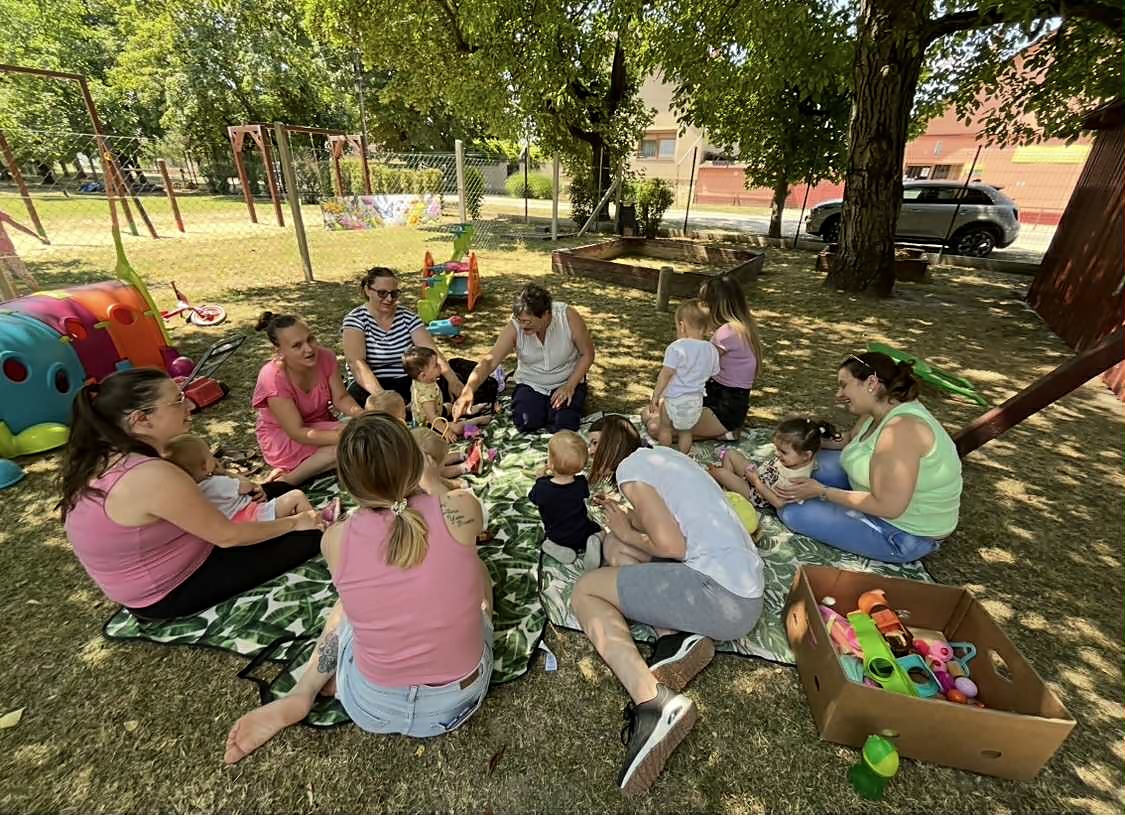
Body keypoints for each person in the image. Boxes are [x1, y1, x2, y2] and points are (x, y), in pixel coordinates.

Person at [224, 413, 493, 763]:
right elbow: (456, 515)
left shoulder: (335, 539)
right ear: (416, 463)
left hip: (370, 705)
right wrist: (432, 481)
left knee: (346, 608)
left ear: (349, 485)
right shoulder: (461, 509)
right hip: (457, 702)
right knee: (479, 569)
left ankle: (303, 692)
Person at [570, 416, 764, 795]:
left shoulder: (629, 470)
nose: (591, 453)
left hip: (721, 594)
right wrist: (626, 525)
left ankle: (654, 702)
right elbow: (670, 527)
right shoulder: (661, 457)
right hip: (741, 587)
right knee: (615, 547)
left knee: (585, 591)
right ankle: (674, 639)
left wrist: (626, 530)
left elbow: (671, 546)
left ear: (613, 442)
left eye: (594, 443)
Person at [59, 369, 324, 621]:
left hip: (175, 553)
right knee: (311, 535)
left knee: (278, 493)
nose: (189, 405)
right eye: (178, 400)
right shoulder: (149, 475)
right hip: (171, 589)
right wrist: (295, 523)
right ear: (141, 419)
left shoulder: (108, 455)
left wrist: (236, 482)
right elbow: (228, 536)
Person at [774, 352, 963, 563]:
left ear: (871, 383)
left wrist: (823, 492)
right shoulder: (881, 408)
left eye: (844, 385)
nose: (838, 394)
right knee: (805, 464)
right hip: (878, 494)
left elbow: (888, 507)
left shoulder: (900, 430)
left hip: (902, 532)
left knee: (791, 510)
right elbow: (849, 439)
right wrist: (803, 443)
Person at [452, 283, 595, 433]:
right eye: (519, 320)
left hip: (566, 380)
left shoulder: (567, 317)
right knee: (526, 422)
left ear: (546, 314)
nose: (522, 326)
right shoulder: (515, 327)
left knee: (564, 426)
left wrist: (570, 386)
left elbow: (587, 354)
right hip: (532, 382)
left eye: (527, 321)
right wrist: (468, 390)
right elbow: (490, 361)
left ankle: (567, 404)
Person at [252, 312, 363, 486]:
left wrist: (363, 415)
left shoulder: (326, 357)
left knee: (362, 436)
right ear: (278, 351)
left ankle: (293, 471)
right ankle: (286, 481)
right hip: (284, 436)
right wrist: (345, 436)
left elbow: (341, 398)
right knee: (355, 444)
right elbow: (297, 432)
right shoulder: (272, 377)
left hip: (319, 425)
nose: (309, 349)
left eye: (310, 339)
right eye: (297, 345)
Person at [342, 267, 466, 409]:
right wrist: (383, 397)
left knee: (449, 380)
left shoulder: (408, 317)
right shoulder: (355, 320)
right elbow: (357, 364)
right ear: (368, 290)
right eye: (382, 293)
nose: (389, 299)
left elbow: (431, 351)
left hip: (408, 381)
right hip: (370, 385)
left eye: (394, 294)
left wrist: (452, 380)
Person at [166, 433, 324, 523]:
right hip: (253, 517)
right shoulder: (217, 483)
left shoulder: (196, 490)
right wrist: (225, 472)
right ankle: (317, 524)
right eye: (210, 456)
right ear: (204, 466)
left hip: (237, 522)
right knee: (296, 496)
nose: (214, 459)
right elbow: (248, 486)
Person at [689, 274, 765, 441]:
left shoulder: (727, 332)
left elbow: (697, 368)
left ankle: (720, 432)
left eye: (702, 303)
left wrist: (689, 334)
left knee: (657, 426)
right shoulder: (741, 328)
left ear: (714, 306)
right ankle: (721, 434)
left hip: (722, 408)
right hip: (727, 404)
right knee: (655, 418)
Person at [708, 417, 838, 511]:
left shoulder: (797, 479)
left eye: (783, 452)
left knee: (719, 472)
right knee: (730, 453)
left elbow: (778, 503)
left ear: (806, 455)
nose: (776, 453)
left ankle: (727, 490)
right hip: (757, 477)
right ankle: (729, 492)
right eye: (776, 448)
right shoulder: (800, 458)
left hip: (756, 495)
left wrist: (756, 481)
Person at [647, 299, 720, 453]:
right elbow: (713, 372)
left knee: (665, 427)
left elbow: (665, 374)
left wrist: (656, 395)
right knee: (686, 432)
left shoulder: (676, 348)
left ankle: (665, 454)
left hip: (673, 399)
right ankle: (683, 457)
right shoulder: (712, 349)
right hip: (695, 400)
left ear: (682, 325)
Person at [529, 430, 603, 569]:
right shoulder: (581, 483)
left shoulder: (542, 487)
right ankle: (594, 541)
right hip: (582, 532)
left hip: (557, 535)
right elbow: (585, 495)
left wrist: (539, 479)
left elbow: (533, 498)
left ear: (551, 464)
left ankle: (555, 547)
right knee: (600, 531)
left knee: (549, 539)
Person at [402, 346, 496, 433]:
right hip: (430, 425)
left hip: (439, 410)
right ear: (423, 375)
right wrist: (446, 431)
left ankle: (467, 410)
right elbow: (432, 418)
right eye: (436, 365)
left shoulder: (421, 380)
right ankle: (477, 420)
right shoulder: (426, 396)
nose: (440, 366)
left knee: (450, 406)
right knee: (457, 428)